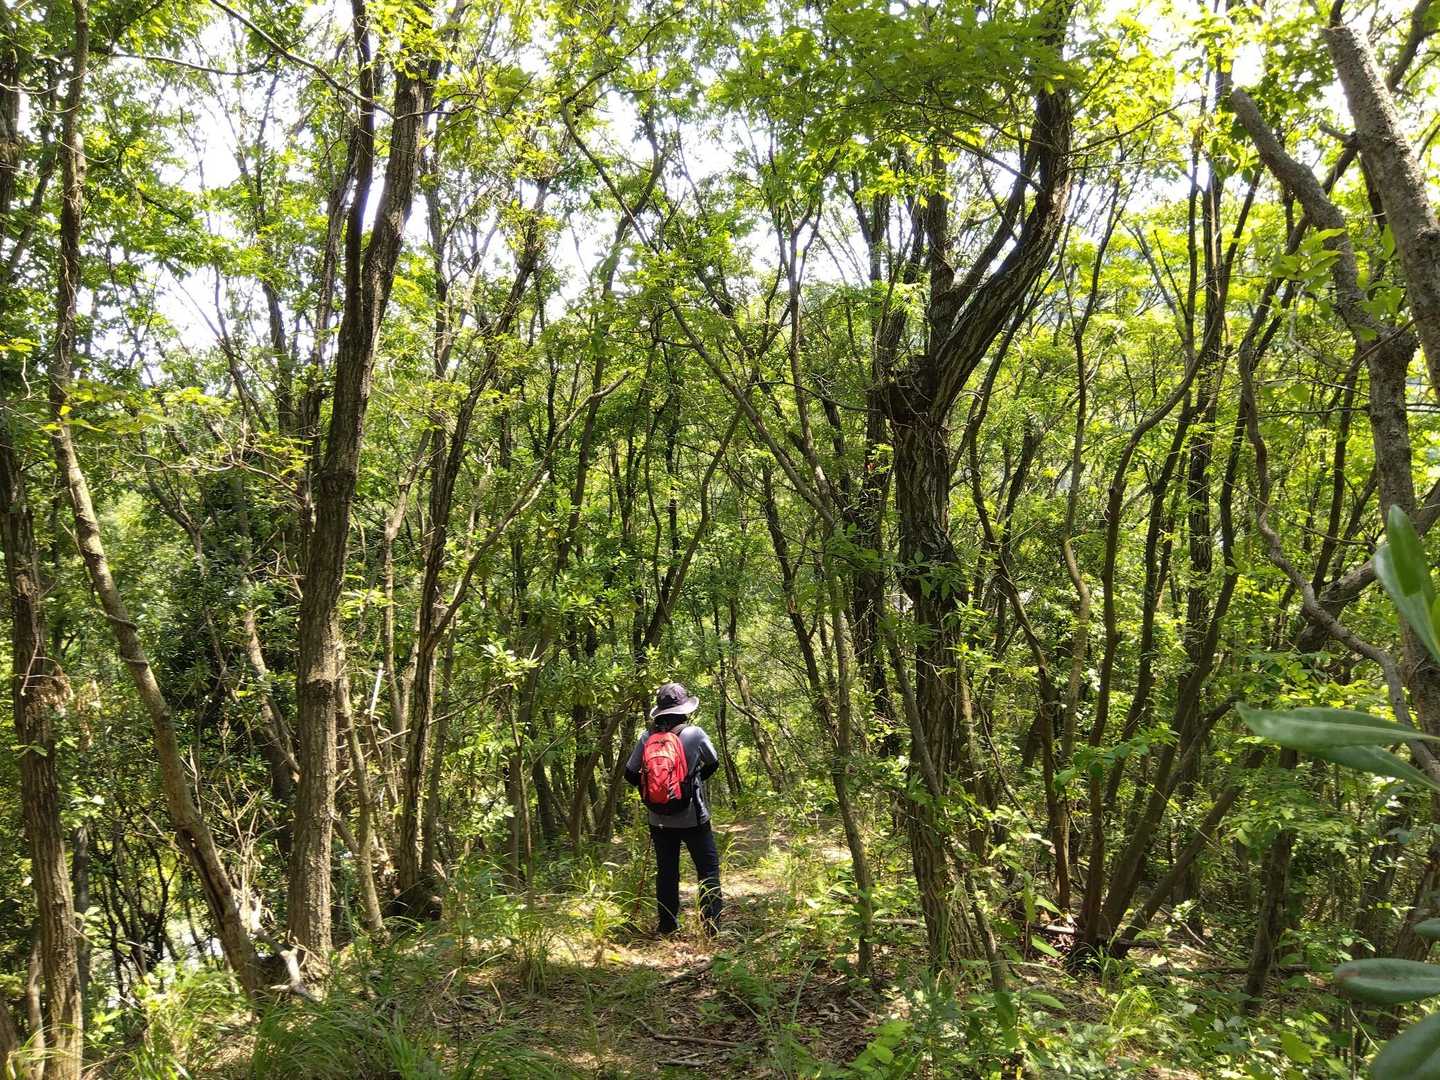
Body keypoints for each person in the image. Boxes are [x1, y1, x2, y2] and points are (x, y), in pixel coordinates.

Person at [625, 682, 724, 935]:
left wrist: (654, 795)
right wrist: (691, 783)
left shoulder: (647, 737)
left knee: (667, 872)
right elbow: (713, 763)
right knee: (707, 869)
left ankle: (667, 926)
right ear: (684, 709)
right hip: (693, 818)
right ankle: (711, 927)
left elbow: (630, 773)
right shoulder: (695, 734)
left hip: (658, 819)